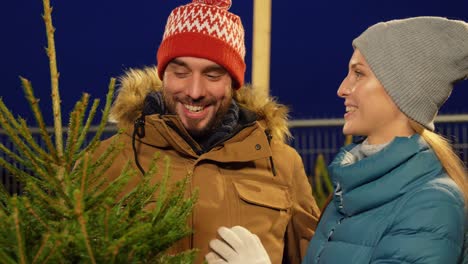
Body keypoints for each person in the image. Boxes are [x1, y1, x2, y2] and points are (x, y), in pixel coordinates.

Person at [207, 16, 468, 263]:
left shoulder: (432, 204)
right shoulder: (351, 189)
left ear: (400, 90)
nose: (342, 88)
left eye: (359, 73)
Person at [93, 0, 320, 263]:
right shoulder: (105, 162)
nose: (195, 91)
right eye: (180, 72)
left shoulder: (280, 164)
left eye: (212, 76)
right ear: (162, 74)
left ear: (234, 83)